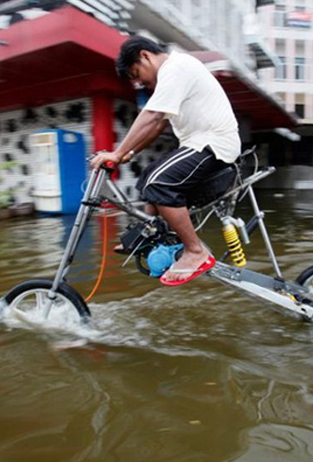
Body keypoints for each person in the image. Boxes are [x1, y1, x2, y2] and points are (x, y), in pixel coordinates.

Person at [90, 36, 241, 286]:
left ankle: (195, 252)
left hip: (214, 142)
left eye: (136, 73)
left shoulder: (175, 67)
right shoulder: (173, 74)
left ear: (145, 55)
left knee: (159, 184)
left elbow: (152, 115)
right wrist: (130, 153)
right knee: (148, 177)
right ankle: (153, 238)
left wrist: (116, 154)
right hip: (199, 143)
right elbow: (159, 124)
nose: (139, 82)